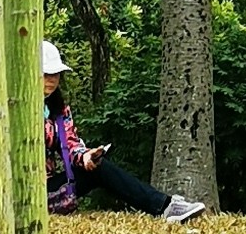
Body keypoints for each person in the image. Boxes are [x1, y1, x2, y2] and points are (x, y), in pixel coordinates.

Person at [42, 43, 204, 222]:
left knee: (100, 167)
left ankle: (165, 206)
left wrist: (86, 156)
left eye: (55, 74)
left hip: (47, 189)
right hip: (21, 192)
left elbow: (70, 143)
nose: (51, 79)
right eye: (46, 74)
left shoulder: (58, 111)